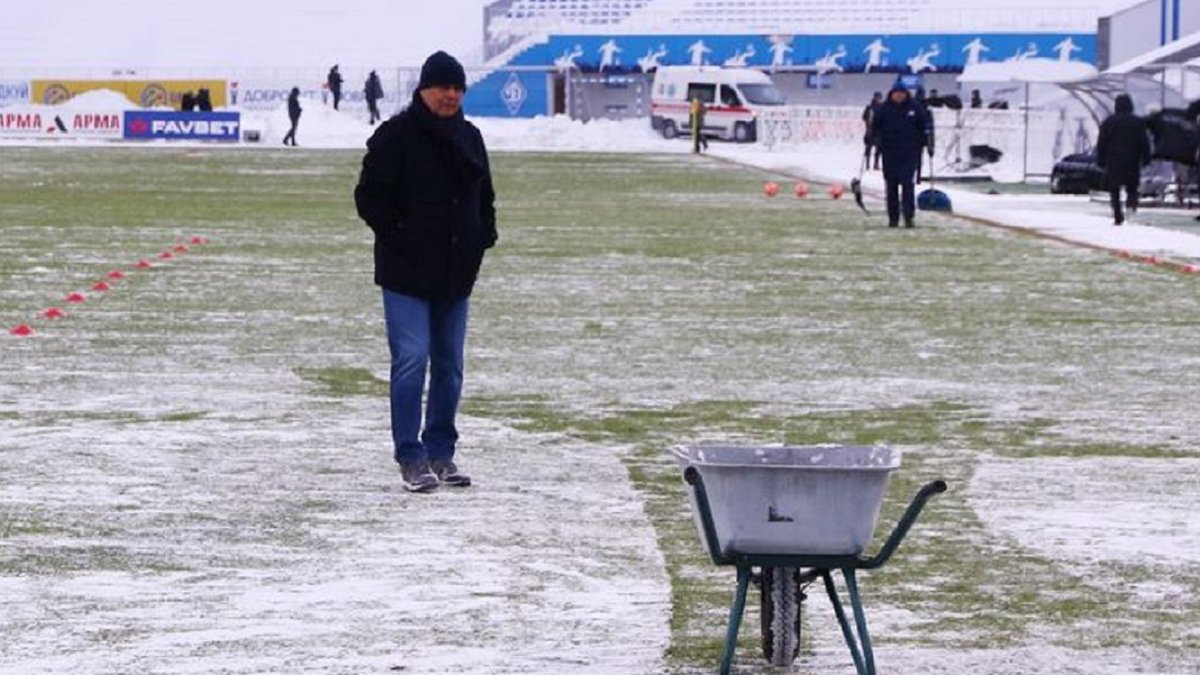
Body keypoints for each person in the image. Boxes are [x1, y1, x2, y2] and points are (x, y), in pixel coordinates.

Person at [354, 51, 497, 493]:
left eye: (457, 88)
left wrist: (482, 236)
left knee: (450, 366)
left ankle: (441, 452)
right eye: (443, 87)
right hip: (406, 274)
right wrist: (400, 236)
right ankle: (411, 457)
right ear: (424, 89)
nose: (451, 95)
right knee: (412, 360)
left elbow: (484, 196)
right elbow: (369, 197)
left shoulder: (470, 137)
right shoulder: (395, 136)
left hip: (456, 274)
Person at [872, 83, 933, 228]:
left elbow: (924, 127)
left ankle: (908, 217)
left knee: (907, 185)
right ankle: (893, 218)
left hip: (909, 154)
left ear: (906, 94)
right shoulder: (884, 109)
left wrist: (927, 143)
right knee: (891, 187)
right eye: (896, 93)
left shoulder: (915, 108)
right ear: (892, 94)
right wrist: (875, 140)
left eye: (902, 93)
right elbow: (875, 128)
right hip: (889, 154)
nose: (899, 96)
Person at [1095, 93, 1151, 226]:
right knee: (1132, 186)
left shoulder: (1108, 122)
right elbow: (1144, 142)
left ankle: (1117, 214)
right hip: (1133, 159)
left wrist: (1100, 160)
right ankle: (1131, 208)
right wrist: (1146, 158)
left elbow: (1102, 143)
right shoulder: (1138, 122)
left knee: (1114, 188)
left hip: (1113, 159)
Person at [861, 91, 883, 170]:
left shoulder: (882, 107)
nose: (879, 99)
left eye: (879, 98)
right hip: (871, 130)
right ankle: (867, 164)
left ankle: (876, 164)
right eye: (877, 98)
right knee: (868, 148)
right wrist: (868, 123)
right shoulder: (870, 107)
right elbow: (864, 117)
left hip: (879, 131)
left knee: (879, 149)